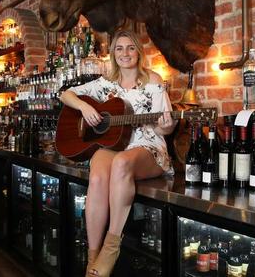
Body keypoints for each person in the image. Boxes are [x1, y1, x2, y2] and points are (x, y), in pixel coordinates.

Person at [60, 30, 176, 276]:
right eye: (119, 48)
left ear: (138, 52)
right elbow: (65, 94)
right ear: (113, 53)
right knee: (97, 173)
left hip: (148, 148)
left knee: (122, 163)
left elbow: (163, 128)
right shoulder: (105, 84)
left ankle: (111, 247)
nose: (125, 53)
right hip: (115, 146)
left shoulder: (154, 81)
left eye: (130, 48)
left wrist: (166, 125)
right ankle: (93, 256)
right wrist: (84, 106)